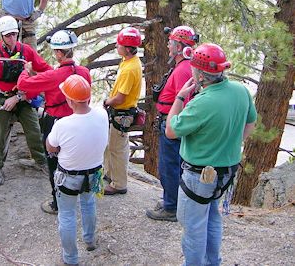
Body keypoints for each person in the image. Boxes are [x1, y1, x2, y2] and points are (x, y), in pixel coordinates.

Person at [165, 43, 257, 266]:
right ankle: (212, 262)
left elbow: (170, 131)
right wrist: (230, 144)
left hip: (199, 175)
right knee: (212, 218)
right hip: (226, 171)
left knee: (193, 227)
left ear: (198, 74)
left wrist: (179, 98)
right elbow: (250, 123)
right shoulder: (240, 90)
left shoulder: (202, 103)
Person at [0, 15, 52, 186]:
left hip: (21, 96)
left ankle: (40, 161)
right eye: (8, 35)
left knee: (34, 129)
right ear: (1, 36)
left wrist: (58, 76)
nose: (12, 38)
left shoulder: (26, 51)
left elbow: (44, 68)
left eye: (14, 34)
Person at [17, 30, 91, 215]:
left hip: (55, 122)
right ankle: (81, 191)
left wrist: (25, 72)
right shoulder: (84, 72)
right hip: (79, 122)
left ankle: (58, 203)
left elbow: (24, 86)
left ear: (59, 53)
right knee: (76, 159)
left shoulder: (54, 76)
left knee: (55, 163)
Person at [46, 75, 108, 266]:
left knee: (67, 215)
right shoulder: (102, 114)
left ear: (70, 100)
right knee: (88, 204)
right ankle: (90, 240)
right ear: (88, 98)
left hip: (69, 176)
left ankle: (71, 258)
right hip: (94, 172)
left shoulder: (62, 124)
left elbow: (51, 147)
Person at [146, 26, 198, 222]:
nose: (168, 45)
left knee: (170, 167)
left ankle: (171, 207)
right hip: (169, 124)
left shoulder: (184, 69)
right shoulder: (183, 67)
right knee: (169, 166)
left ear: (178, 46)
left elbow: (185, 104)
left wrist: (173, 128)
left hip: (171, 126)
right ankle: (171, 200)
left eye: (170, 42)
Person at [103, 27, 143, 195]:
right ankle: (110, 173)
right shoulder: (129, 61)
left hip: (122, 112)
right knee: (111, 145)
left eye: (119, 44)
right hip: (120, 113)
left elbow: (120, 98)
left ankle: (119, 184)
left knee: (117, 149)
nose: (116, 46)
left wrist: (107, 101)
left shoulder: (129, 69)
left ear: (127, 48)